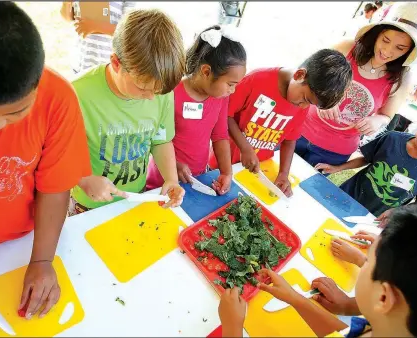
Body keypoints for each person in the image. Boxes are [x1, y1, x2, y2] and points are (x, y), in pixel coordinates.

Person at [0, 2, 91, 319]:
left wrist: (42, 261)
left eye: (16, 112)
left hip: (24, 244)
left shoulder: (58, 98)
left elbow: (55, 187)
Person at [219, 204, 417, 337]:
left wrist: (232, 328)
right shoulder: (390, 327)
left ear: (384, 297)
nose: (362, 262)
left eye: (367, 261)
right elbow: (341, 332)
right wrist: (295, 299)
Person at [69, 9, 186, 214]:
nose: (151, 97)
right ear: (116, 63)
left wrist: (171, 178)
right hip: (88, 203)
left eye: (157, 91)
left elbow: (161, 140)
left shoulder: (160, 92)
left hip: (135, 196)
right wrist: (83, 179)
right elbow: (55, 154)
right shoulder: (77, 94)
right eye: (142, 88)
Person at [295, 2, 417, 168]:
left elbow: (386, 115)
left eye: (400, 48)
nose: (387, 51)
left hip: (333, 152)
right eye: (385, 40)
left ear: (409, 51)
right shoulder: (346, 48)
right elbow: (303, 73)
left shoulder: (403, 78)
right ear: (377, 33)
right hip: (297, 128)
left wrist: (377, 120)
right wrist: (322, 97)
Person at [208, 49, 352, 197]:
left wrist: (283, 173)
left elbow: (290, 140)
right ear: (299, 75)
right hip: (222, 165)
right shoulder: (257, 80)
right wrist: (245, 148)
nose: (303, 107)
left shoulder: (301, 102)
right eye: (305, 100)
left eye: (309, 105)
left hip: (257, 170)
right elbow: (225, 115)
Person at [315, 99, 417, 217]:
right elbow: (367, 158)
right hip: (346, 194)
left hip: (373, 218)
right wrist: (337, 168)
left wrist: (398, 212)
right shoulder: (392, 138)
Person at [146, 25, 246, 193]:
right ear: (206, 71)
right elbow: (154, 139)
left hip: (197, 177)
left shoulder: (221, 97)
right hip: (161, 180)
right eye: (230, 84)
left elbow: (220, 135)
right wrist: (174, 165)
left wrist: (226, 172)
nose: (232, 90)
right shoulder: (171, 93)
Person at [60, 1, 135, 74]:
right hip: (81, 59)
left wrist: (96, 26)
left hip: (108, 62)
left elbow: (128, 30)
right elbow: (69, 18)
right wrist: (67, 3)